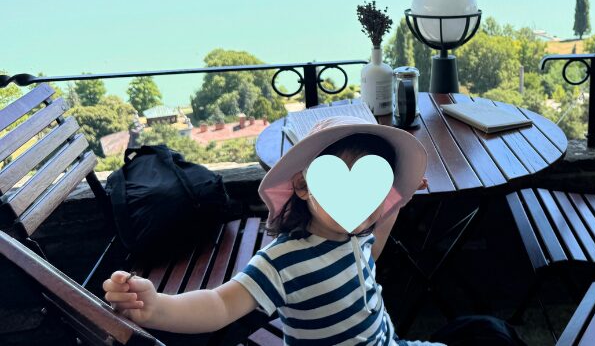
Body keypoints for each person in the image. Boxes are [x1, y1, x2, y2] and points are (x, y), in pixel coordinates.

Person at [104, 115, 441, 345]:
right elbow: (219, 305)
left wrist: (397, 203)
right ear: (303, 185)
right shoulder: (283, 260)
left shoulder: (356, 236)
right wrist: (158, 307)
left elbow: (374, 249)